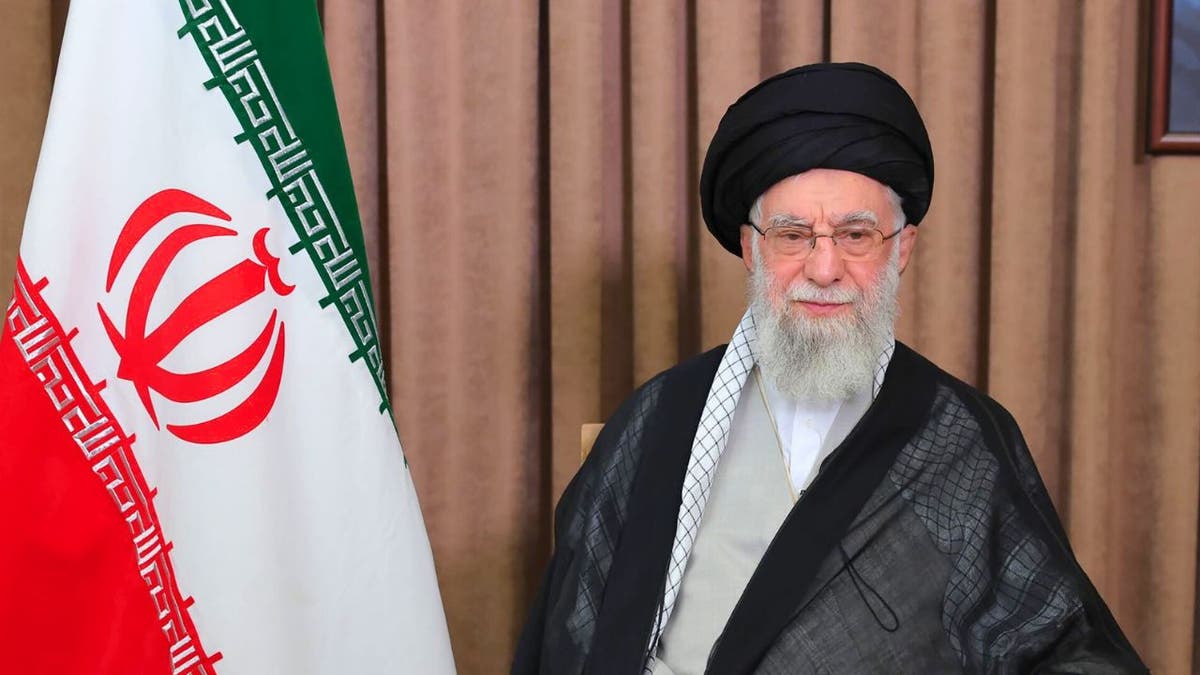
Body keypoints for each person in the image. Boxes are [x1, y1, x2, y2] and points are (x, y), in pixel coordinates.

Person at [512, 62, 1145, 674]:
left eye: (855, 236)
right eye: (793, 236)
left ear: (902, 249)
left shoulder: (960, 438)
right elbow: (572, 630)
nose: (822, 269)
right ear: (750, 247)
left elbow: (1063, 646)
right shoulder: (662, 415)